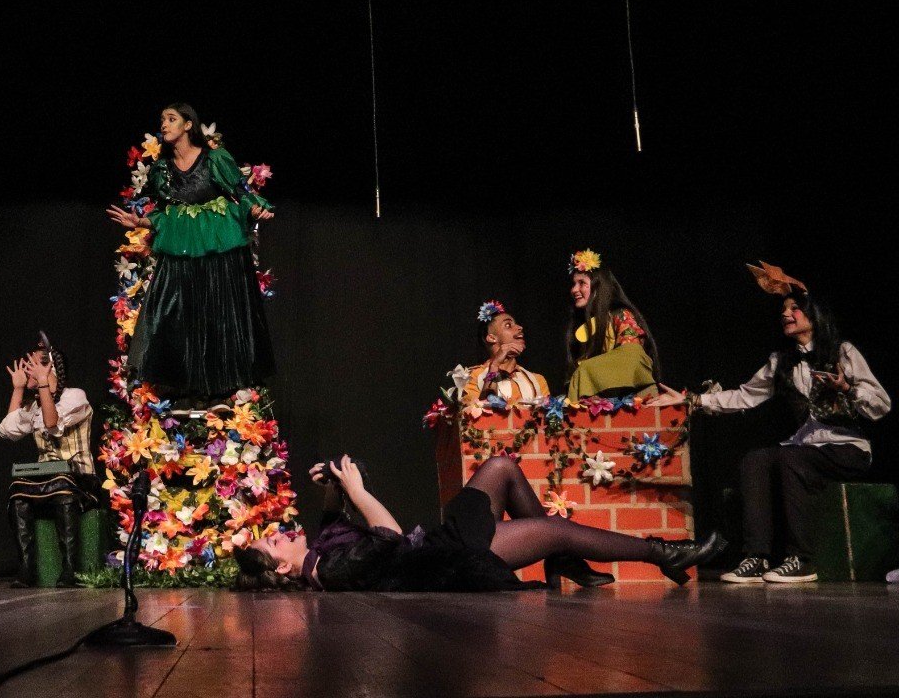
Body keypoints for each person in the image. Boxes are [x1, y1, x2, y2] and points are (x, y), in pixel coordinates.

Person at [650, 263, 890, 584]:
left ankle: (801, 560)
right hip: (806, 448)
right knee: (756, 459)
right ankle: (756, 557)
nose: (786, 315)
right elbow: (743, 397)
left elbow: (881, 404)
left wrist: (848, 388)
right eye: (784, 310)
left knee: (791, 459)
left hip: (847, 448)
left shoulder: (842, 352)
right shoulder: (781, 362)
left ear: (814, 315)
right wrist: (691, 400)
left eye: (794, 309)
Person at [233, 453, 725, 591]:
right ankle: (666, 553)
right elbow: (387, 537)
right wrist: (360, 491)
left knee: (502, 467)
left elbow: (334, 511)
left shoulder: (321, 546)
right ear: (280, 569)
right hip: (450, 561)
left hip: (441, 539)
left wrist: (331, 482)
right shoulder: (327, 571)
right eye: (273, 541)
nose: (279, 530)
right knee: (553, 528)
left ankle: (567, 563)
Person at [104, 103, 275, 399]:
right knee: (173, 311)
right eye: (162, 120)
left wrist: (257, 210)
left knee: (220, 312)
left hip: (219, 245)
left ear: (187, 125)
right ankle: (183, 389)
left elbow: (240, 196)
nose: (164, 124)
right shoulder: (162, 170)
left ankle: (224, 391)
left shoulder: (214, 160)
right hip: (181, 244)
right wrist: (139, 221)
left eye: (171, 119)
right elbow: (163, 212)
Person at [0, 332, 99, 587]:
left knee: (63, 486)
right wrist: (19, 389)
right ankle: (26, 568)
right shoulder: (33, 407)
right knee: (18, 492)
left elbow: (53, 423)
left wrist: (43, 384)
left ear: (48, 367)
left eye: (32, 365)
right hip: (46, 481)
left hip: (80, 480)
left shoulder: (75, 397)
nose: (27, 369)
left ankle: (68, 569)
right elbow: (7, 430)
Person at [565, 249, 659, 400]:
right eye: (573, 284)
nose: (574, 289)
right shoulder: (583, 326)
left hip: (632, 401)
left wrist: (586, 371)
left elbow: (633, 357)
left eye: (581, 283)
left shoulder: (621, 315)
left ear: (599, 287)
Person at [461, 300, 550, 411]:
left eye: (516, 323)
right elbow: (479, 416)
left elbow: (547, 423)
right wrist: (494, 366)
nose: (520, 327)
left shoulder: (537, 380)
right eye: (508, 325)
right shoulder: (472, 377)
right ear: (492, 338)